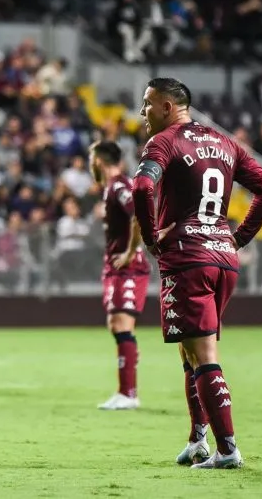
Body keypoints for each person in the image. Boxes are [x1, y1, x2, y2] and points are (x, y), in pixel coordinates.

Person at [131, 78, 262, 470]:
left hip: (188, 258)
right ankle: (198, 438)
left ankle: (227, 449)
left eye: (147, 104)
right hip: (223, 259)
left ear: (166, 107)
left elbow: (143, 187)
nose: (142, 112)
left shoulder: (164, 142)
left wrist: (150, 238)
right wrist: (238, 238)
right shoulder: (224, 142)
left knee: (203, 354)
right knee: (190, 350)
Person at [90, 140, 150, 411]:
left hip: (128, 267)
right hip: (116, 266)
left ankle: (129, 393)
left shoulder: (118, 186)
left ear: (99, 161)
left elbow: (139, 214)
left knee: (122, 324)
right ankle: (125, 390)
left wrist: (129, 253)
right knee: (116, 324)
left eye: (92, 159)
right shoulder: (110, 188)